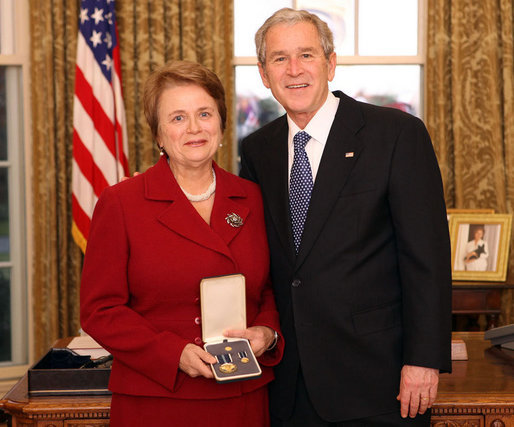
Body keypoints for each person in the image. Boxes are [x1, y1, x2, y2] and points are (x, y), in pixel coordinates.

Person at [239, 8, 452, 426]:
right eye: (280, 58)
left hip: (378, 380)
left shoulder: (395, 135)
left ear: (331, 63)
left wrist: (423, 361)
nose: (294, 69)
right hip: (288, 382)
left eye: (307, 54)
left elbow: (426, 260)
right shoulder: (258, 149)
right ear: (264, 74)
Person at [80, 60, 284, 427]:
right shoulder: (122, 203)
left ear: (221, 124)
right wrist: (173, 354)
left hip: (243, 396)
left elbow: (268, 288)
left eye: (204, 113)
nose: (194, 128)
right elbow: (100, 310)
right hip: (159, 397)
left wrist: (267, 332)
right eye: (177, 118)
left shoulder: (252, 197)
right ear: (158, 134)